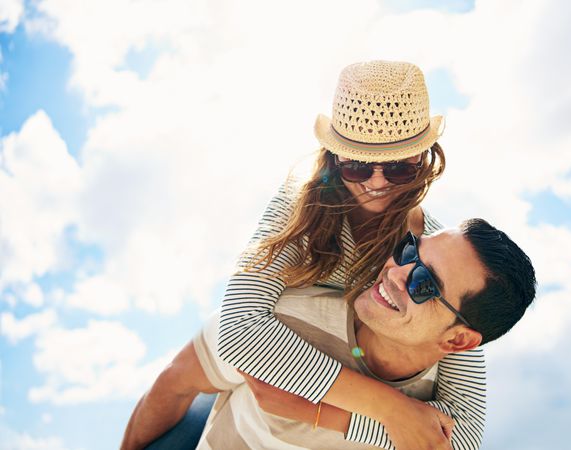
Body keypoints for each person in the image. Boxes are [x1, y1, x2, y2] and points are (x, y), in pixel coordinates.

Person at [123, 60, 487, 450]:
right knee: (177, 382)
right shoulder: (300, 206)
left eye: (398, 166)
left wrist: (341, 418)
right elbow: (239, 330)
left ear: (425, 157)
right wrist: (392, 411)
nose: (377, 182)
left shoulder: (430, 259)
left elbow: (463, 434)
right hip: (272, 341)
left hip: (316, 369)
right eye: (357, 164)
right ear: (333, 156)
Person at [123, 220, 537, 450]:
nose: (395, 273)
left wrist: (322, 412)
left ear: (458, 342)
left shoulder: (437, 425)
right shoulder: (279, 319)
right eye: (409, 251)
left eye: (424, 284)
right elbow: (174, 385)